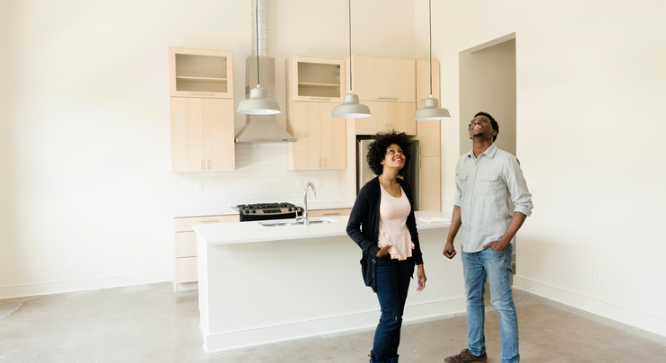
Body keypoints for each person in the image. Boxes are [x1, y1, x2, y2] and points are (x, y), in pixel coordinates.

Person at [442, 112, 533, 363]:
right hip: (469, 246)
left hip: (494, 247)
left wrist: (504, 240)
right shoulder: (462, 163)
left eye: (483, 120)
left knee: (502, 304)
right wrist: (450, 238)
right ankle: (476, 352)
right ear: (469, 131)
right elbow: (459, 203)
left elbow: (524, 203)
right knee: (473, 299)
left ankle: (510, 360)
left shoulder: (506, 161)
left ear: (494, 131)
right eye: (473, 121)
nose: (476, 122)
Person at [347, 131, 427, 363]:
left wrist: (420, 262)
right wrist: (373, 250)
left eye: (400, 151)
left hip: (406, 259)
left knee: (397, 317)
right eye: (391, 151)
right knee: (390, 316)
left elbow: (411, 227)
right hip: (382, 261)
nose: (397, 154)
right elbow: (352, 227)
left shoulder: (406, 188)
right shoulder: (370, 190)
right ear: (381, 159)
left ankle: (390, 359)